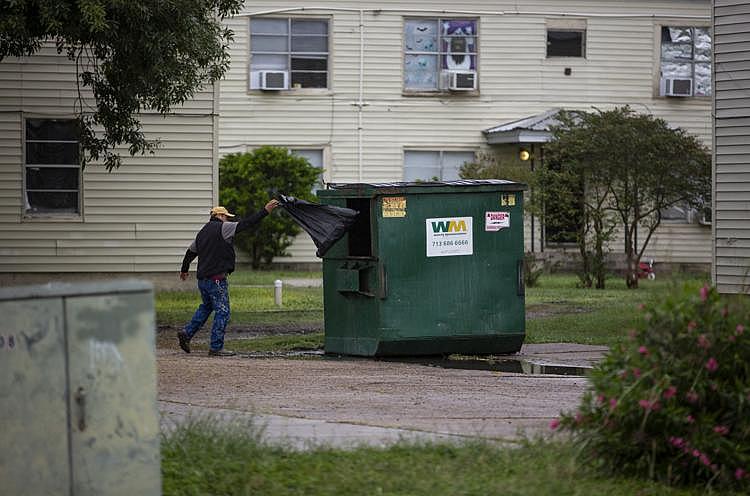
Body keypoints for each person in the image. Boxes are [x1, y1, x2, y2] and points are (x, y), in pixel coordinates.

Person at [178, 200, 279, 356]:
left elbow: (190, 252)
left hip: (203, 279)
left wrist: (184, 270)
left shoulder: (202, 232)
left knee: (207, 307)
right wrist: (265, 211)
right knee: (223, 311)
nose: (228, 220)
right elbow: (246, 224)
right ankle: (216, 347)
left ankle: (187, 332)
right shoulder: (223, 227)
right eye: (226, 216)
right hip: (216, 278)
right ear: (219, 215)